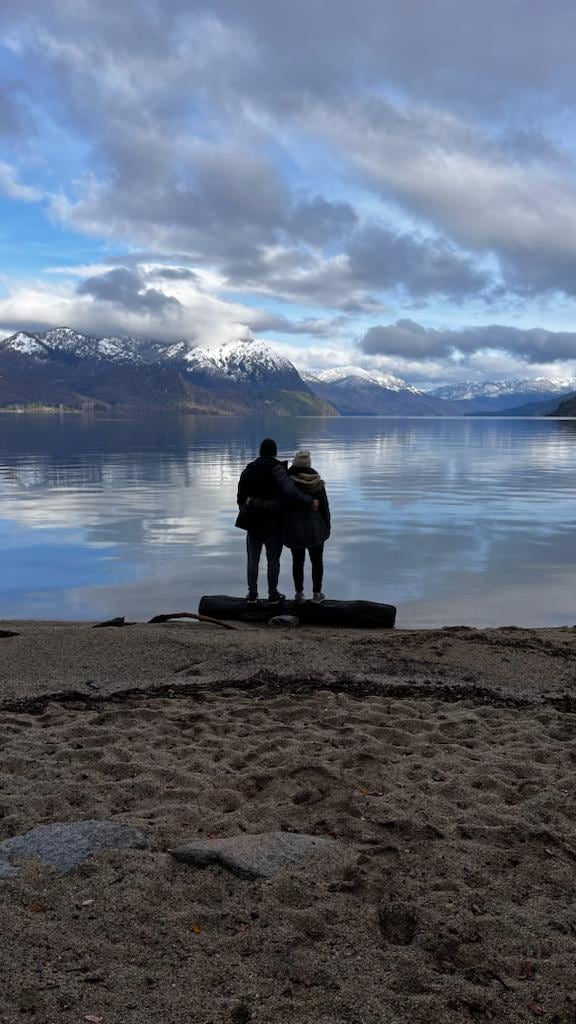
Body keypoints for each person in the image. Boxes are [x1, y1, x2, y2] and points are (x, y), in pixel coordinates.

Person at [235, 438, 317, 604]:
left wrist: (249, 509)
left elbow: (240, 498)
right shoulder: (277, 469)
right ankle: (273, 594)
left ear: (260, 451)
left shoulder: (249, 469)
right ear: (275, 452)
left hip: (253, 523)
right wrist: (310, 501)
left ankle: (252, 595)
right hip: (273, 523)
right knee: (273, 560)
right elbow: (291, 491)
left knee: (253, 559)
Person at [284, 449, 330, 604]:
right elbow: (324, 507)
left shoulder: (288, 483)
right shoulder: (317, 482)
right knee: (317, 562)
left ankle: (299, 594)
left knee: (298, 562)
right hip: (316, 529)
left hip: (295, 529)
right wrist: (327, 528)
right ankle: (317, 594)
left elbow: (284, 508)